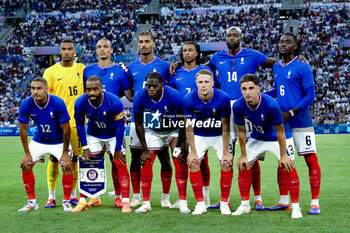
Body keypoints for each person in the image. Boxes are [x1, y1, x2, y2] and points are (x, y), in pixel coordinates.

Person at [265, 33, 321, 215]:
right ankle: (284, 201)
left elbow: (310, 96)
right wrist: (261, 96)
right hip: (282, 121)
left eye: (288, 42)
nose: (283, 44)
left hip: (300, 119)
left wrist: (291, 112)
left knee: (310, 158)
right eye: (281, 41)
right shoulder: (276, 67)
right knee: (284, 160)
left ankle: (315, 202)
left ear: (295, 46)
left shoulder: (303, 66)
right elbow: (279, 90)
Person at [232, 74, 302, 219]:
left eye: (251, 88)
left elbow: (280, 131)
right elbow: (241, 132)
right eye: (244, 89)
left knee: (288, 166)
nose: (247, 92)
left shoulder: (271, 104)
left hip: (279, 138)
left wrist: (283, 155)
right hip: (259, 137)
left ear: (258, 88)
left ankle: (296, 207)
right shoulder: (238, 105)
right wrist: (243, 155)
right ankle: (245, 205)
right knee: (243, 165)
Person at [83, 38, 132, 208]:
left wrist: (130, 74)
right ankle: (93, 196)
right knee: (93, 161)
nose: (102, 50)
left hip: (114, 123)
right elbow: (84, 96)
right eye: (99, 47)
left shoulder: (119, 70)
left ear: (112, 50)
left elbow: (130, 96)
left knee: (116, 160)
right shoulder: (87, 70)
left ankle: (119, 196)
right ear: (96, 51)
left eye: (105, 47)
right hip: (94, 125)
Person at [168, 41, 217, 209]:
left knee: (202, 161)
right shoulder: (175, 72)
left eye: (190, 50)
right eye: (184, 50)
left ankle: (205, 197)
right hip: (179, 121)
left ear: (197, 53)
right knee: (180, 159)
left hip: (202, 122)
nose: (186, 53)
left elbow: (215, 92)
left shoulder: (206, 72)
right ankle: (182, 200)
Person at [72, 76, 131, 213]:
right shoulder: (80, 102)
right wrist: (85, 147)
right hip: (94, 135)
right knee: (88, 163)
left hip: (113, 134)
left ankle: (124, 200)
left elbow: (120, 127)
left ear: (102, 88)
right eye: (88, 89)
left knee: (119, 163)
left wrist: (117, 148)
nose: (92, 92)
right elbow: (79, 125)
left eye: (95, 89)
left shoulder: (114, 102)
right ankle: (84, 200)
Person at [128, 31, 173, 208]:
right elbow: (129, 92)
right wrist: (141, 101)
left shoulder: (165, 66)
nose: (144, 44)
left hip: (159, 118)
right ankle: (137, 196)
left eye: (147, 41)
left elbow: (170, 89)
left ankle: (165, 197)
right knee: (135, 157)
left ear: (154, 44)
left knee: (164, 157)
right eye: (141, 41)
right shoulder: (131, 67)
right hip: (138, 117)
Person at [18, 77, 73, 212]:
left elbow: (67, 129)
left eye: (39, 88)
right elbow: (23, 129)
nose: (35, 92)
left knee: (67, 166)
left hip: (59, 141)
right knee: (25, 165)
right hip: (39, 140)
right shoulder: (26, 103)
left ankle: (66, 201)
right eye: (33, 88)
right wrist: (26, 153)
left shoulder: (57, 102)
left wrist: (65, 153)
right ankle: (32, 202)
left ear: (47, 89)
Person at [133, 72, 185, 213]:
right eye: (148, 86)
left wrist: (179, 146)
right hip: (153, 130)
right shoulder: (139, 96)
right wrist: (144, 150)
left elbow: (183, 122)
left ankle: (177, 200)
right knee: (147, 160)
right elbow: (138, 124)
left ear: (162, 85)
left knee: (178, 158)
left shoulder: (174, 96)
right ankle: (146, 203)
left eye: (155, 86)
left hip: (173, 130)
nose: (151, 89)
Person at [184, 69, 233, 215]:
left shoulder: (223, 98)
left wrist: (226, 151)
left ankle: (224, 203)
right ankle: (200, 204)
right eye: (200, 82)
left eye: (206, 82)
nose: (203, 85)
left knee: (226, 164)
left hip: (219, 135)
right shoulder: (188, 98)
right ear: (196, 83)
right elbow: (188, 126)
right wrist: (192, 151)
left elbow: (226, 126)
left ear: (213, 83)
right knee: (192, 163)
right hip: (200, 134)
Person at [43, 38, 85, 208]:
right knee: (54, 158)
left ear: (75, 51)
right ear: (59, 51)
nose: (67, 51)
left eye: (70, 49)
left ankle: (73, 195)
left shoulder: (82, 70)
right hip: (57, 124)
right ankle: (51, 196)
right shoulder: (50, 72)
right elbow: (46, 99)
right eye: (63, 49)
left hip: (77, 123)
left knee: (74, 159)